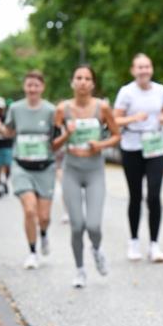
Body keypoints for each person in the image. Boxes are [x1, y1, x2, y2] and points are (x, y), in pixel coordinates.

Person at [54, 64, 121, 288]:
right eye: (78, 77)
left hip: (94, 170)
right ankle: (80, 269)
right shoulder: (62, 109)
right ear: (72, 82)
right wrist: (67, 135)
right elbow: (52, 144)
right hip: (72, 169)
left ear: (92, 84)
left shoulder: (102, 108)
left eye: (87, 78)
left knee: (93, 225)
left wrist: (99, 144)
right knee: (76, 226)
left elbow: (116, 136)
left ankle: (97, 249)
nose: (82, 82)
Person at [0, 71, 58, 269]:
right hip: (21, 166)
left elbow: (57, 137)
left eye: (36, 85)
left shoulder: (50, 110)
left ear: (42, 88)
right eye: (29, 85)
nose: (32, 89)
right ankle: (32, 252)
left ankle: (44, 234)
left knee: (44, 216)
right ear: (24, 87)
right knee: (30, 210)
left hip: (45, 167)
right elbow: (9, 131)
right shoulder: (16, 108)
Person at [114, 53, 163, 263]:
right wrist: (133, 118)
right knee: (135, 195)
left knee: (154, 196)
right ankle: (134, 241)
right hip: (132, 146)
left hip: (155, 146)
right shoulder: (126, 92)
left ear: (152, 69)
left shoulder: (160, 90)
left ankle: (155, 245)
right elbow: (115, 119)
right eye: (140, 67)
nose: (144, 71)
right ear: (133, 70)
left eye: (147, 67)